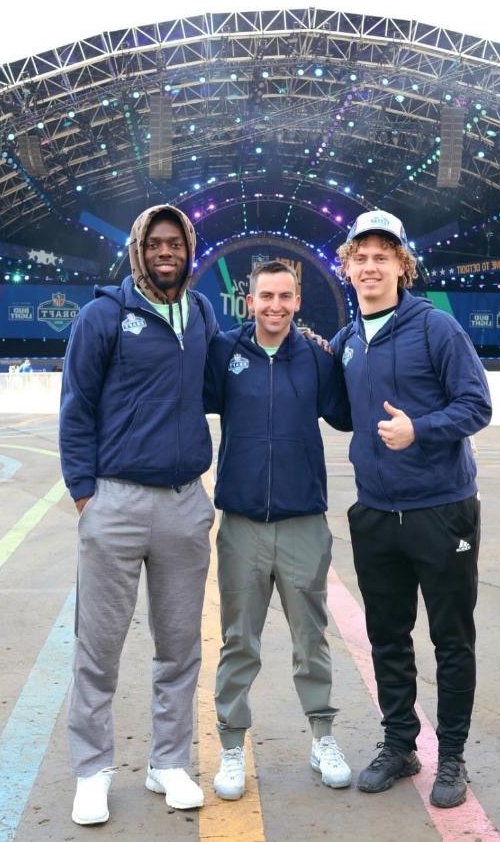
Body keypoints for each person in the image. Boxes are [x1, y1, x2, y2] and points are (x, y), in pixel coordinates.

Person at [59, 204, 218, 825]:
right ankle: (92, 771)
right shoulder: (103, 316)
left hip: (184, 503)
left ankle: (168, 763)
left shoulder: (202, 314)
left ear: (189, 249)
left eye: (175, 242)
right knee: (98, 649)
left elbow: (230, 376)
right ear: (136, 249)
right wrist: (85, 495)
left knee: (179, 647)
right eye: (154, 242)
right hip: (116, 502)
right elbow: (76, 408)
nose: (165, 251)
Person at [331, 210, 492, 808]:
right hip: (376, 513)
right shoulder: (348, 342)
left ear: (403, 264)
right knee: (387, 637)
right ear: (346, 267)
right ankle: (400, 743)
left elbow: (476, 406)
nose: (370, 266)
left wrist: (418, 429)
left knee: (451, 638)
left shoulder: (436, 329)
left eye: (383, 255)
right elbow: (344, 413)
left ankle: (451, 756)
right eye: (360, 256)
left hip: (441, 510)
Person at [204, 261, 353, 801]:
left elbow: (348, 410)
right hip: (241, 524)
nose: (275, 305)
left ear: (298, 300)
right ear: (248, 300)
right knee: (239, 641)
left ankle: (322, 738)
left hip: (303, 523)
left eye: (285, 296)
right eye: (265, 295)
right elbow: (180, 397)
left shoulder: (316, 358)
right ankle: (230, 747)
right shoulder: (224, 354)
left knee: (310, 639)